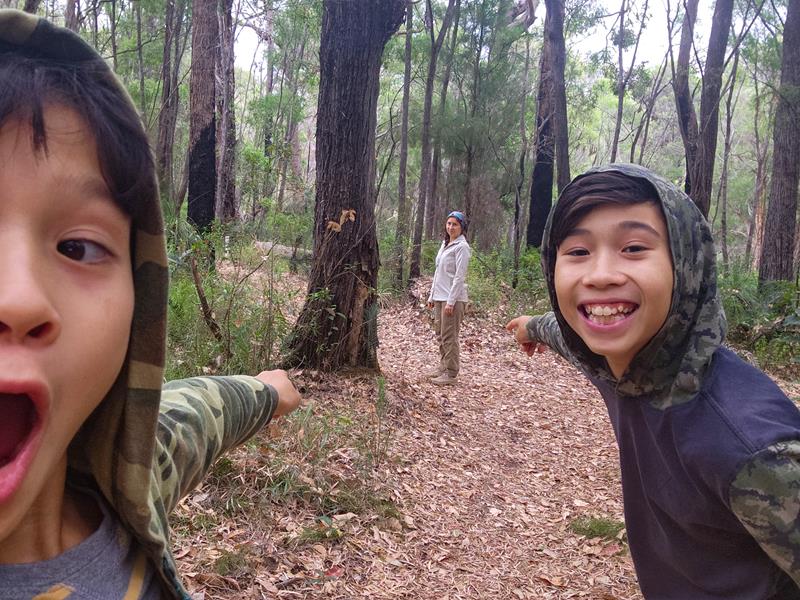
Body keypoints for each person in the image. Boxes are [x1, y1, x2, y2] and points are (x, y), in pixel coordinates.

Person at [0, 11, 301, 599]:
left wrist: (267, 392)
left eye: (77, 247)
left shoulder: (131, 479)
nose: (17, 299)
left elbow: (200, 412)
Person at [506, 164, 800, 599]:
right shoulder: (616, 362)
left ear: (685, 265)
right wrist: (530, 327)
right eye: (578, 251)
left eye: (634, 247)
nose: (600, 274)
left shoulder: (755, 450)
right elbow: (566, 335)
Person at [427, 211, 472, 386]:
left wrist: (451, 302)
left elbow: (459, 277)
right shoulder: (445, 244)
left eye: (455, 224)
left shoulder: (462, 247)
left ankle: (451, 373)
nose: (451, 227)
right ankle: (443, 366)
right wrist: (431, 295)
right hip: (439, 295)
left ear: (461, 227)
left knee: (449, 336)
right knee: (440, 334)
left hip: (453, 298)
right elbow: (438, 272)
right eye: (449, 224)